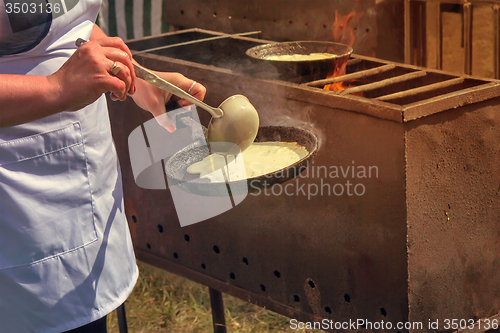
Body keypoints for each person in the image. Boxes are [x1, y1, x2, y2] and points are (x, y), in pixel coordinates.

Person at [0, 0, 206, 332]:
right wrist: (57, 88)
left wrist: (139, 80)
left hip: (87, 185)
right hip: (15, 211)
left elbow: (67, 22)